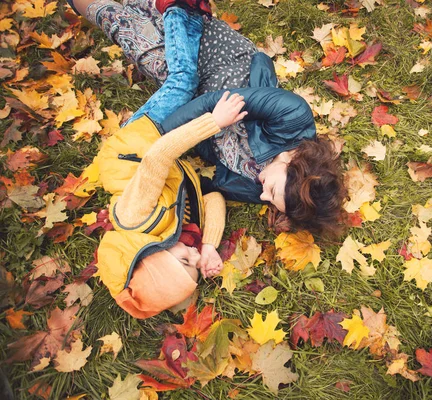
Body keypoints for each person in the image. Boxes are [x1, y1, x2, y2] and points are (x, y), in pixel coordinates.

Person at [67, 0, 347, 238]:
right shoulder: (294, 115)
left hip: (188, 90)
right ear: (293, 164)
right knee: (151, 12)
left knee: (125, 28)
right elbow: (213, 103)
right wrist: (155, 135)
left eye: (271, 202)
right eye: (272, 192)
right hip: (215, 56)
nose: (263, 197)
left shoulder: (260, 186)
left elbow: (205, 183)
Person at [94, 2, 247, 318]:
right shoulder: (182, 237)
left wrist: (214, 123)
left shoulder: (136, 219)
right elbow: (212, 196)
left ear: (153, 257)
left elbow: (157, 157)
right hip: (164, 151)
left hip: (142, 143)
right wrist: (209, 246)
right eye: (195, 264)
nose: (192, 254)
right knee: (183, 82)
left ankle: (176, 9)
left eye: (184, 260)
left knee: (183, 81)